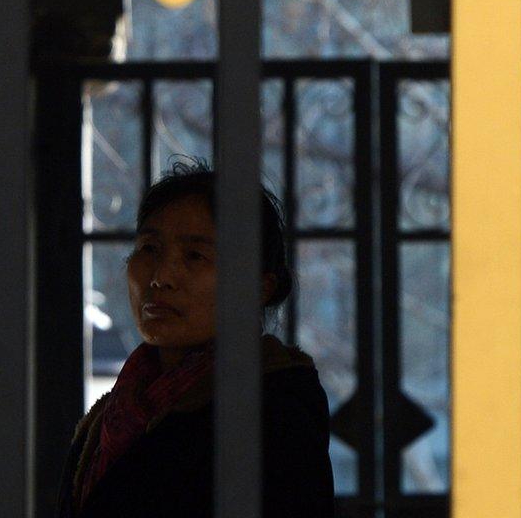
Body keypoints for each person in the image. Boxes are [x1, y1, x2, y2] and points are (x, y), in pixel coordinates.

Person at [59, 163, 335, 517]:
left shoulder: (272, 414)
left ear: (259, 286)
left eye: (195, 255)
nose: (161, 277)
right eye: (149, 248)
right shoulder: (111, 417)